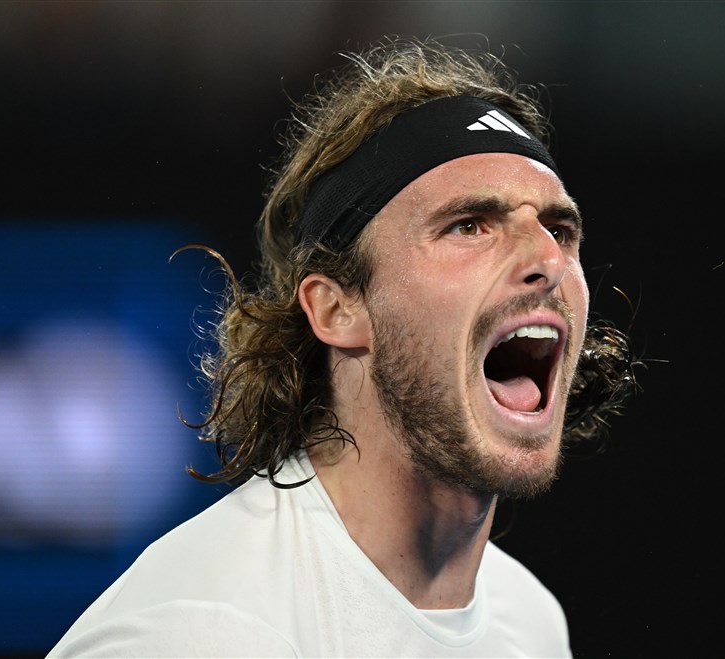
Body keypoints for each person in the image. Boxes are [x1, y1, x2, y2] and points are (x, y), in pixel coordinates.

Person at [48, 38, 636, 658]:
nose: (547, 258)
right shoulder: (205, 632)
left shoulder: (530, 621)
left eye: (559, 229)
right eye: (470, 225)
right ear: (336, 308)